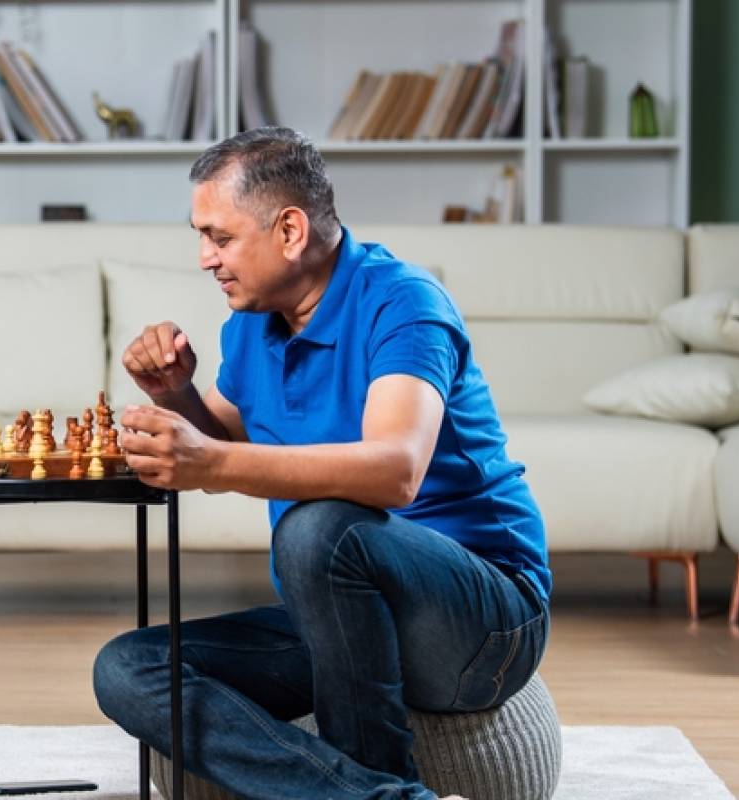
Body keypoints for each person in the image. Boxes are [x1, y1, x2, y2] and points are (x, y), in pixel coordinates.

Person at [93, 127, 550, 800]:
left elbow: (397, 470)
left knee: (317, 527)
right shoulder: (252, 320)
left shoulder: (403, 303)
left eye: (219, 237)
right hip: (337, 620)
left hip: (482, 627)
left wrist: (213, 463)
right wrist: (174, 394)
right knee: (128, 667)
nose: (204, 258)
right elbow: (229, 438)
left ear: (290, 231)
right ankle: (385, 797)